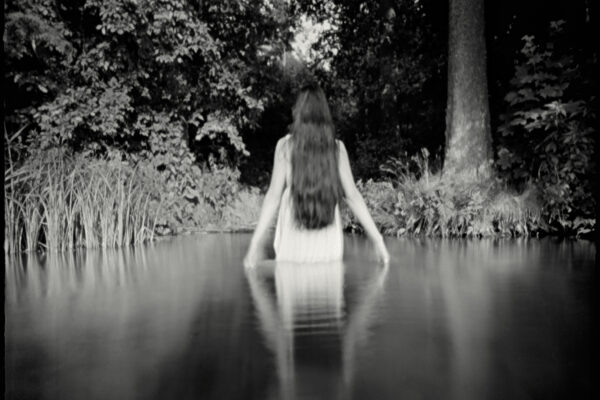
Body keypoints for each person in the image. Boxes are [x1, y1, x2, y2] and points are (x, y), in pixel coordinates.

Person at [243, 83, 389, 267]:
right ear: (324, 114)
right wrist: (378, 241)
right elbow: (352, 197)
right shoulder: (336, 149)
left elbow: (273, 197)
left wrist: (254, 244)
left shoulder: (285, 147)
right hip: (327, 242)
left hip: (293, 237)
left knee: (287, 276)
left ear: (299, 112)